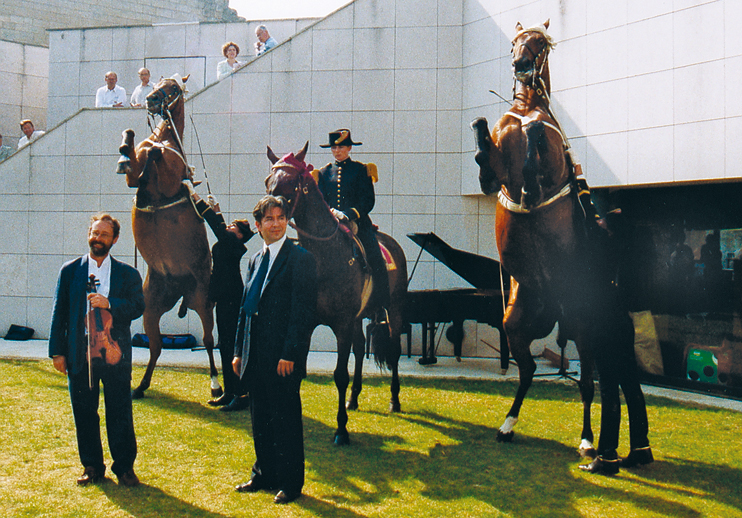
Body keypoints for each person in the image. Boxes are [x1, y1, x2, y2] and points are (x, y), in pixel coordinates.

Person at [49, 213, 145, 487]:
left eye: (104, 234)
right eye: (94, 232)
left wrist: (109, 303)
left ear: (114, 239)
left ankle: (124, 467)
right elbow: (60, 312)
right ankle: (92, 466)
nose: (97, 238)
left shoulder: (127, 273)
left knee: (120, 412)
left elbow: (138, 306)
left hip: (113, 353)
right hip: (80, 352)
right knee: (84, 412)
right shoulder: (70, 270)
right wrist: (58, 351)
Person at [233, 195, 317, 505]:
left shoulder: (301, 259)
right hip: (255, 355)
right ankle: (264, 474)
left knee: (286, 420)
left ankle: (290, 482)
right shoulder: (256, 259)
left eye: (281, 217)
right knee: (261, 418)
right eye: (269, 219)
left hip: (283, 357)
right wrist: (239, 351)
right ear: (258, 226)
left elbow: (303, 312)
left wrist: (290, 354)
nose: (276, 223)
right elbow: (246, 308)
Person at [579, 210, 653, 475]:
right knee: (631, 385)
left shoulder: (603, 247)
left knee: (609, 388)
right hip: (623, 324)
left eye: (603, 220)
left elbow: (586, 219)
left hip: (604, 324)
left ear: (609, 228)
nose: (598, 221)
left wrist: (580, 183)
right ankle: (641, 448)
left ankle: (607, 455)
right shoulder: (627, 250)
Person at [317, 129, 390, 323]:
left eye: (341, 146)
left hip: (358, 223)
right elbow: (321, 200)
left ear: (349, 148)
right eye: (334, 147)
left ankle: (382, 307)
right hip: (332, 226)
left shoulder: (361, 170)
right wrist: (331, 212)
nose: (337, 150)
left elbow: (368, 201)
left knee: (376, 258)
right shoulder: (323, 173)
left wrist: (348, 213)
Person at [192, 191, 254, 411]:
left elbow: (216, 226)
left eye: (232, 228)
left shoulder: (231, 243)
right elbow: (220, 227)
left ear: (239, 235)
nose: (228, 228)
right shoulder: (231, 242)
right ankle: (230, 392)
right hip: (224, 299)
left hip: (232, 300)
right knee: (225, 346)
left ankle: (241, 394)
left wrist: (198, 200)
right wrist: (216, 210)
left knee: (233, 347)